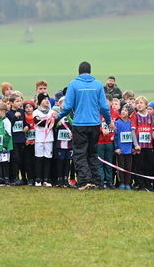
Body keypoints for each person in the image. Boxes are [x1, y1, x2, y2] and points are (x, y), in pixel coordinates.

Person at [54, 62, 113, 191]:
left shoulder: (73, 84)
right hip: (95, 124)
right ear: (90, 71)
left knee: (80, 153)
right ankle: (96, 181)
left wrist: (58, 116)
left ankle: (84, 181)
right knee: (92, 153)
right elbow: (104, 106)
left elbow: (68, 106)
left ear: (79, 72)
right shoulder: (98, 84)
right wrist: (109, 121)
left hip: (79, 124)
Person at [114, 104, 136, 190]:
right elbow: (116, 136)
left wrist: (133, 147)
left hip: (129, 149)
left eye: (125, 110)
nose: (123, 112)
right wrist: (116, 148)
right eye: (122, 110)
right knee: (121, 166)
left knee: (128, 167)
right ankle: (121, 183)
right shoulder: (118, 123)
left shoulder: (131, 123)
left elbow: (133, 136)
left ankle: (127, 183)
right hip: (121, 149)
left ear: (129, 113)